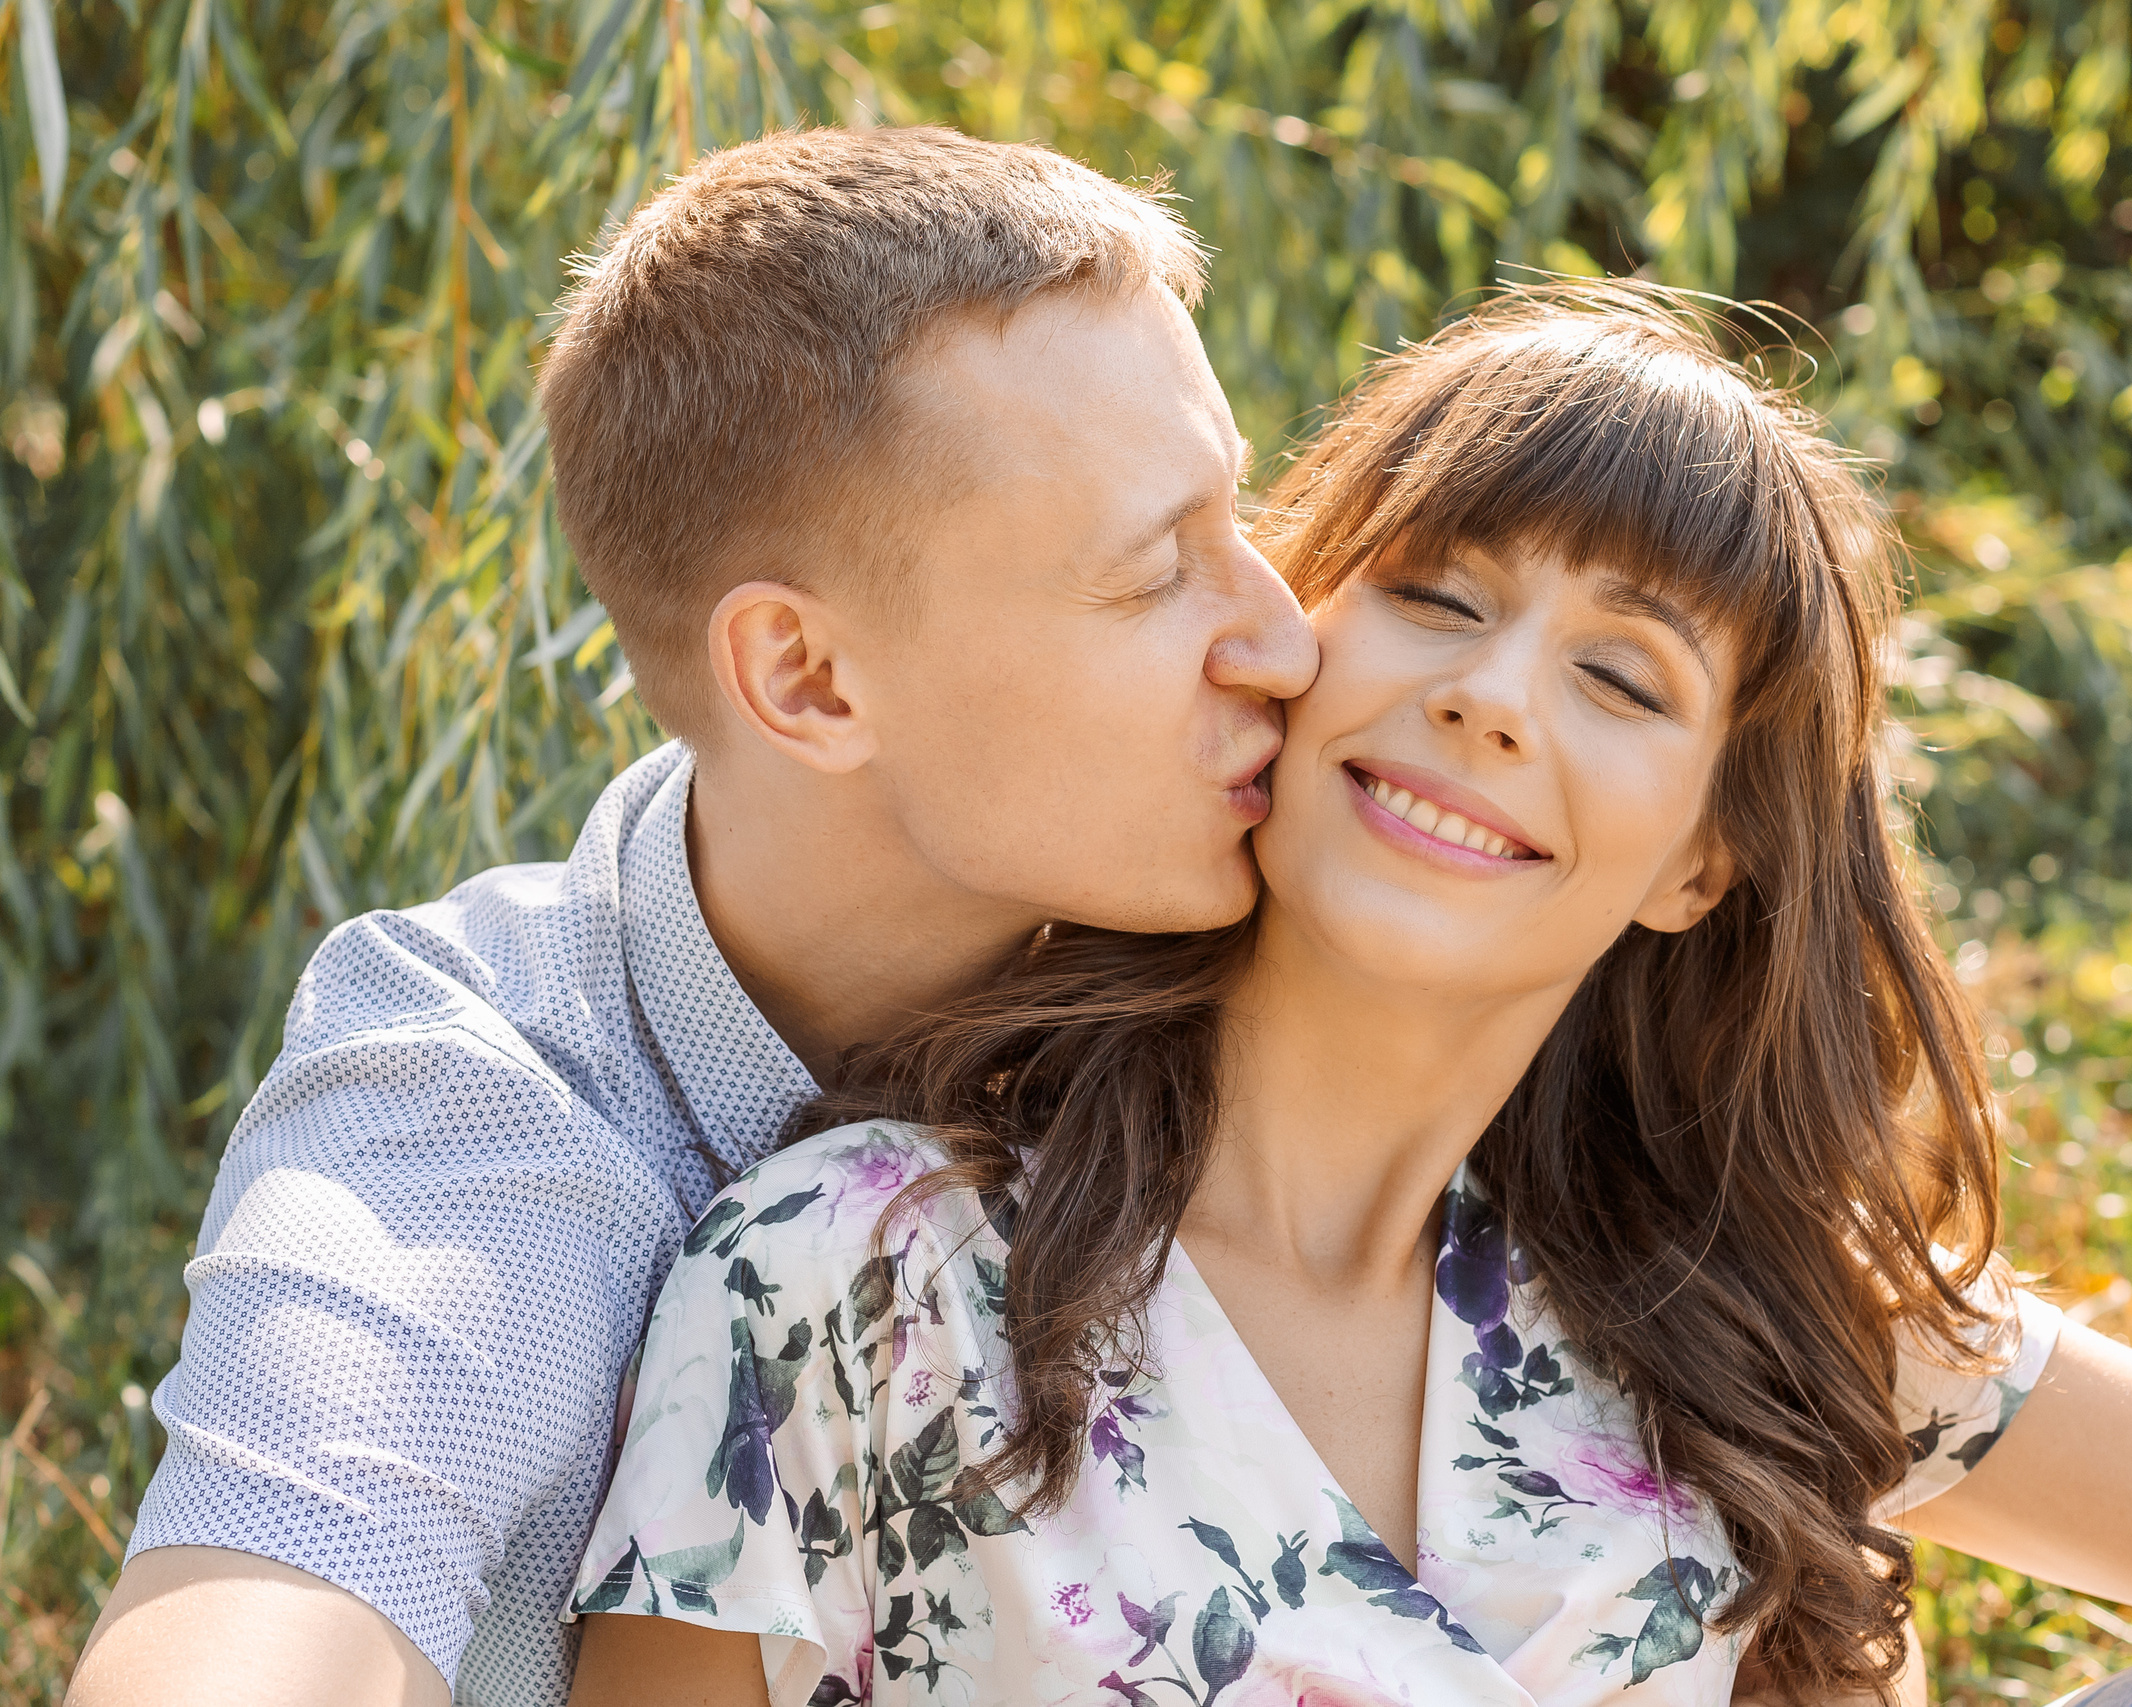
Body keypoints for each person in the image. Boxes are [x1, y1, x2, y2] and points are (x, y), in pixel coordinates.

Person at [559, 284, 2132, 1706]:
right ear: (1285, 634)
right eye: (1434, 590)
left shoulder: (1715, 1302)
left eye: (1621, 678)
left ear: (1702, 855)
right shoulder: (857, 1274)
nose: (1488, 696)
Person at [67, 127, 1317, 1707]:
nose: (1282, 639)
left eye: (1241, 511)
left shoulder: (1281, 997)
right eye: (1158, 575)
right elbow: (254, 1629)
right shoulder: (482, 1115)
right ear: (806, 678)